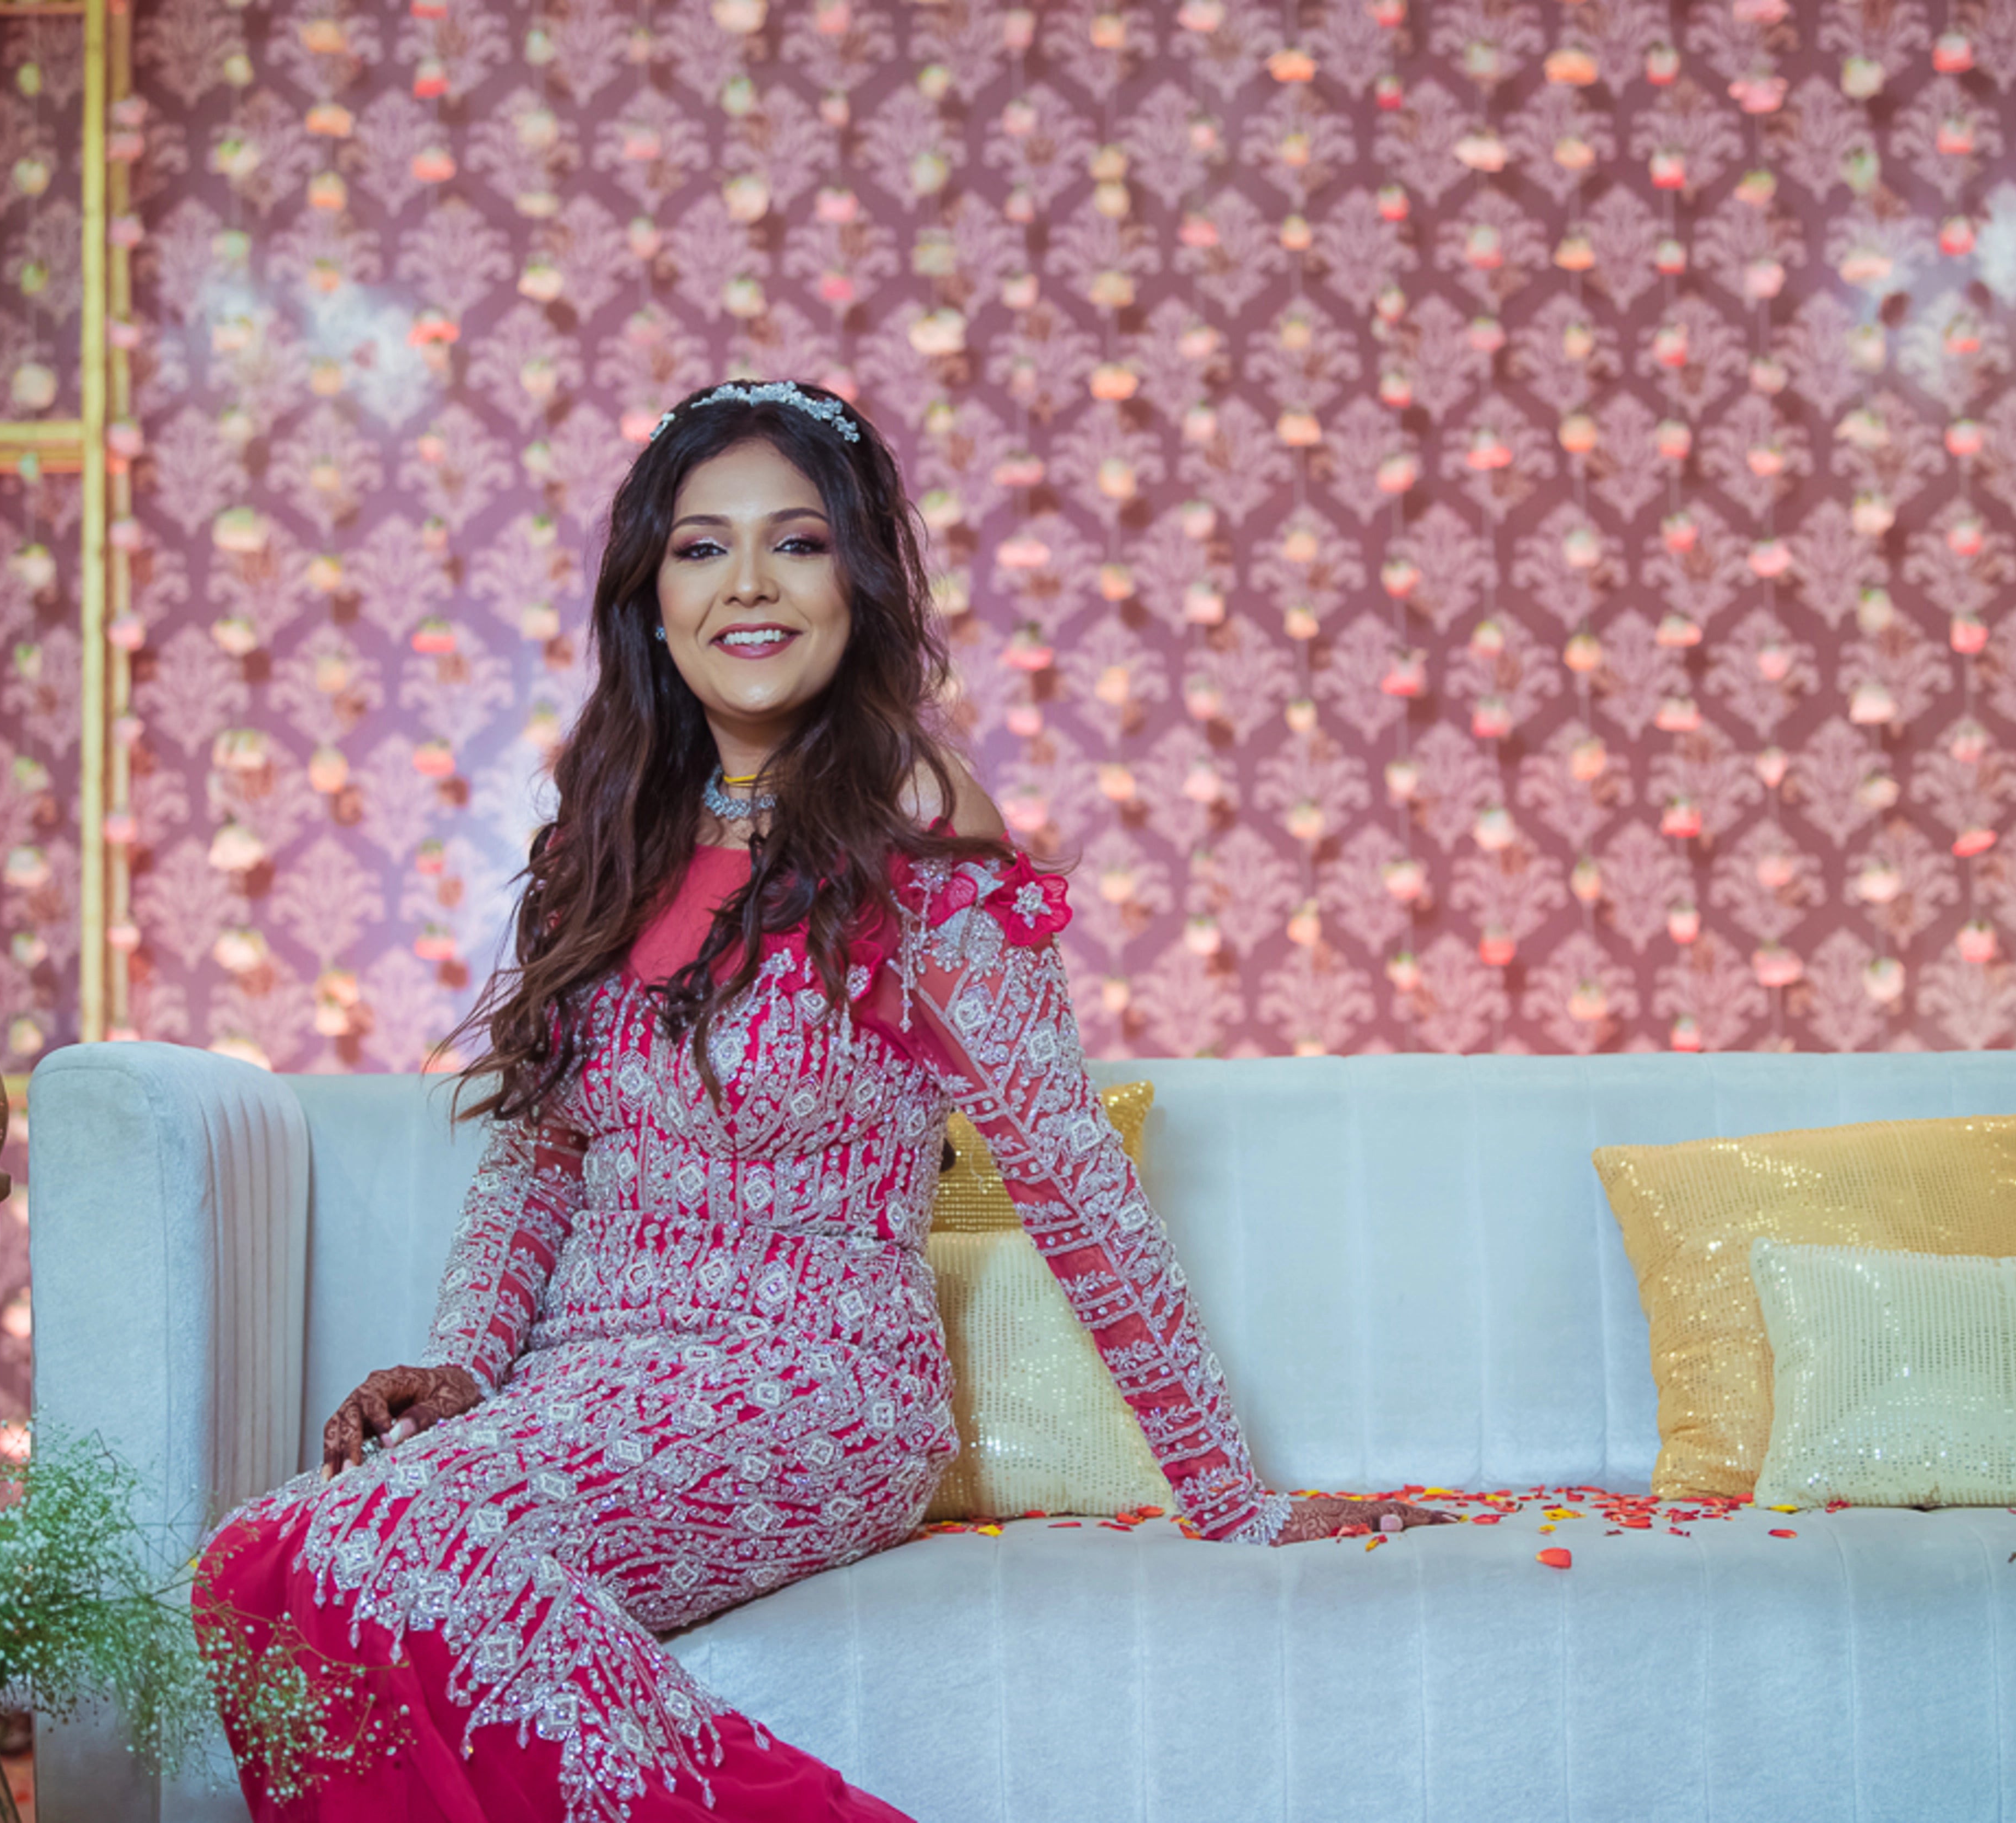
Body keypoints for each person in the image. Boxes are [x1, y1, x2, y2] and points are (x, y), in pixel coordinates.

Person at [190, 378, 1445, 1823]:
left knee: (388, 1547)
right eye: (702, 548)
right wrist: (465, 1368)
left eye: (793, 543)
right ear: (649, 596)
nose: (749, 585)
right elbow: (538, 1168)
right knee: (254, 1559)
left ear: (857, 580)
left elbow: (1067, 1174)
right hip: (585, 1382)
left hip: (820, 1385)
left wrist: (1236, 1495)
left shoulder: (920, 834)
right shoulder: (607, 835)